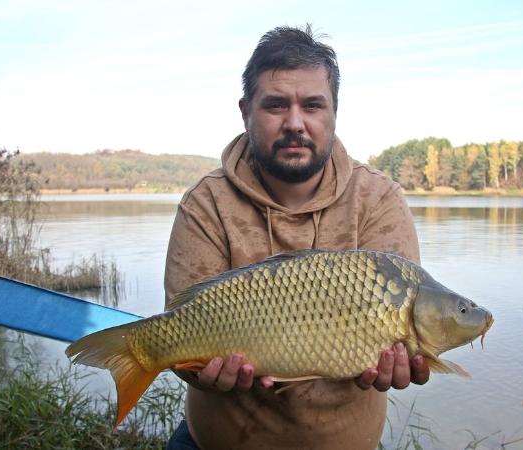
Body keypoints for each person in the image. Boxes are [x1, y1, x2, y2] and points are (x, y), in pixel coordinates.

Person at [163, 25, 429, 450]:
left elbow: (398, 351)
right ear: (245, 111)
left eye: (312, 105)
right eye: (275, 105)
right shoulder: (205, 203)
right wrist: (195, 369)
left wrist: (400, 362)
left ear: (334, 112)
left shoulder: (379, 199)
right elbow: (181, 337)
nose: (294, 123)